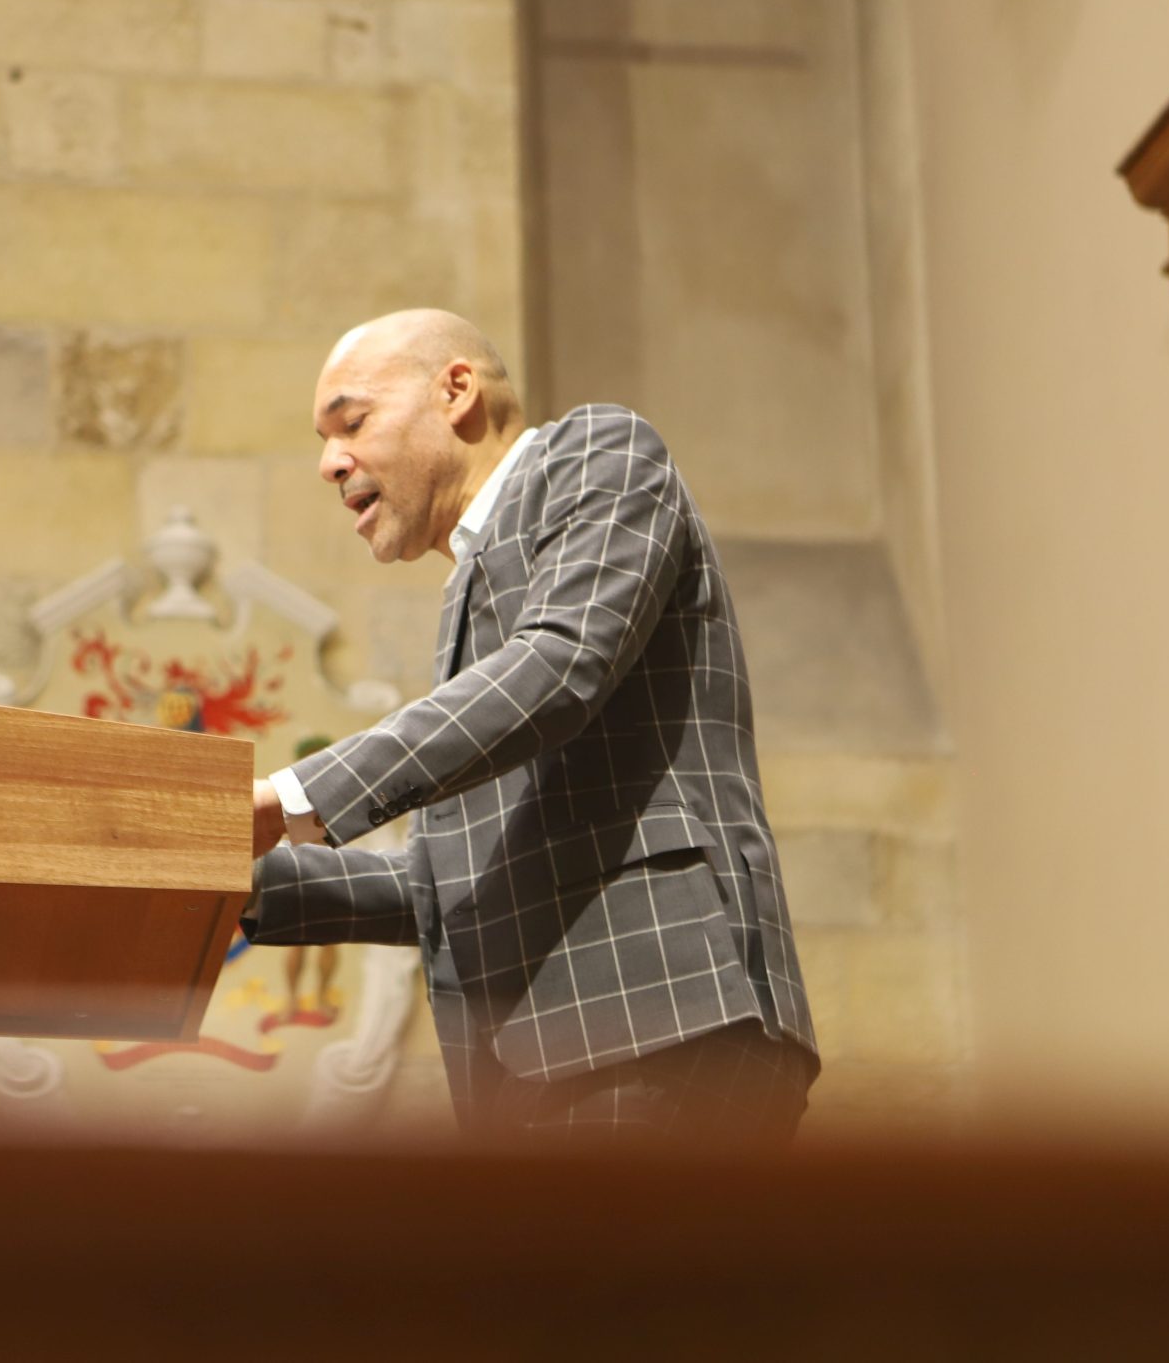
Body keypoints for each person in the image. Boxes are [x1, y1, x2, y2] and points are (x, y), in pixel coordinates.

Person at [247, 310, 818, 1142]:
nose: (330, 461)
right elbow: (451, 878)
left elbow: (560, 665)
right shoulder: (468, 597)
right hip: (545, 1066)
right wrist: (230, 881)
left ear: (456, 390)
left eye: (352, 421)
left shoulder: (598, 454)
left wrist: (294, 796)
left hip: (649, 1020)